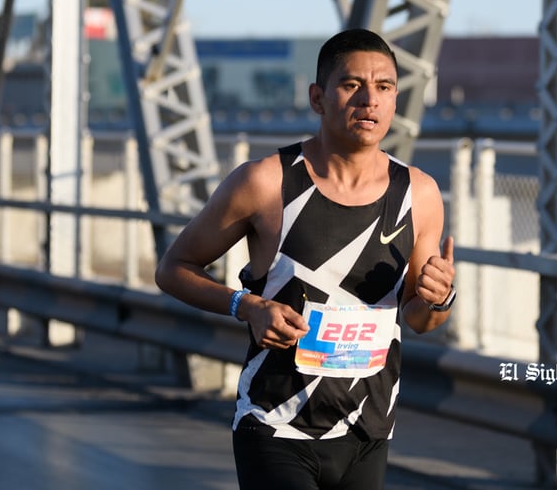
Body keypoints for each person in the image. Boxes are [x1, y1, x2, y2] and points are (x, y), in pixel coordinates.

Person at [155, 28, 456, 490]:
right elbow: (173, 269)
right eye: (351, 85)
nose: (369, 101)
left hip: (368, 429)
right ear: (318, 97)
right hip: (275, 425)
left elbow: (418, 319)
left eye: (384, 87)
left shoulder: (419, 193)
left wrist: (440, 299)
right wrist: (247, 306)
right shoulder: (266, 183)